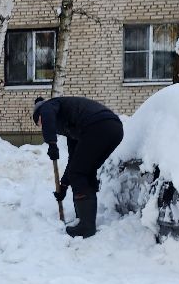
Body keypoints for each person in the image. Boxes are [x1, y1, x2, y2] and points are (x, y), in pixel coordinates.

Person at [32, 95, 124, 240]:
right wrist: (63, 184)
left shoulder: (48, 106)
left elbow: (47, 115)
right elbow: (74, 159)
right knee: (84, 170)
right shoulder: (72, 126)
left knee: (79, 172)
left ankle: (86, 226)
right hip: (114, 129)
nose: (42, 127)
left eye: (39, 123)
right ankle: (84, 219)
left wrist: (51, 143)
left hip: (98, 126)